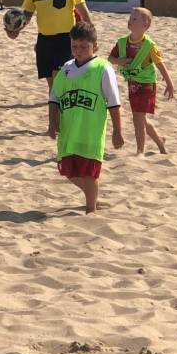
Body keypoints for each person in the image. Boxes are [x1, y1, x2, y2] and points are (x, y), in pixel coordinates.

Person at [48, 21, 125, 214]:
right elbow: (54, 97)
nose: (78, 51)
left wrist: (117, 131)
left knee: (89, 173)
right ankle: (94, 197)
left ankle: (91, 210)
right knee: (67, 171)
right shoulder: (66, 68)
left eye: (84, 47)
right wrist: (52, 122)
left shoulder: (103, 68)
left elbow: (114, 103)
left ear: (95, 46)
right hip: (69, 132)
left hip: (91, 133)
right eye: (74, 46)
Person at [6, 0, 92, 89]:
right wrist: (15, 30)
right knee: (50, 81)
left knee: (60, 78)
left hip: (65, 38)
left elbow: (83, 11)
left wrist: (91, 36)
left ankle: (60, 101)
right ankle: (54, 101)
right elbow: (26, 15)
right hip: (43, 39)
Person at [108, 7, 175, 155]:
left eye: (134, 19)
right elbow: (110, 58)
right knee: (141, 119)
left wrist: (169, 83)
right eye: (130, 18)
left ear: (145, 25)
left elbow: (160, 64)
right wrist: (119, 61)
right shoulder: (122, 42)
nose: (130, 21)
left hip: (147, 85)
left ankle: (140, 152)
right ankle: (159, 141)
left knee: (137, 118)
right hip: (132, 84)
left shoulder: (149, 45)